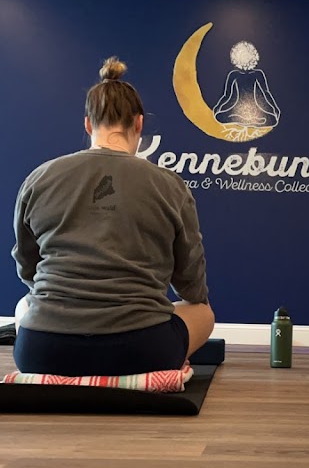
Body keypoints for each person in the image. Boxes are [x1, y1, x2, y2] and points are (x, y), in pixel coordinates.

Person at [12, 57, 214, 376]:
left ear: (88, 124)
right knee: (203, 313)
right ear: (139, 124)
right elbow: (192, 286)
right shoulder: (169, 185)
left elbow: (28, 266)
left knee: (24, 305)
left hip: (42, 351)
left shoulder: (39, 178)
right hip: (142, 352)